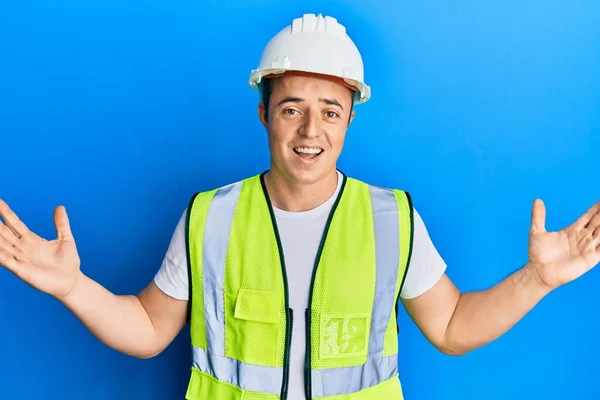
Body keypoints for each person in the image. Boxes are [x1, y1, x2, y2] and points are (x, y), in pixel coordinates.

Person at [0, 13, 599, 400]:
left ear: (349, 120)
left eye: (330, 110)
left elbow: (450, 326)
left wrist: (538, 280)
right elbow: (151, 330)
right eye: (291, 107)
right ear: (264, 114)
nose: (310, 128)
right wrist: (71, 287)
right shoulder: (211, 216)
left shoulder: (391, 219)